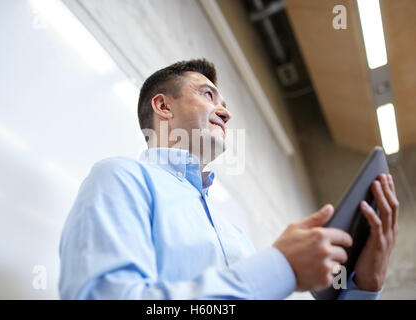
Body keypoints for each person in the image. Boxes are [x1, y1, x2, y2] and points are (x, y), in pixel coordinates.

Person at [58, 58, 399, 299]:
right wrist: (280, 265)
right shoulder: (120, 177)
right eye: (208, 95)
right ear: (163, 106)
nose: (226, 111)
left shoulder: (233, 231)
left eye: (223, 101)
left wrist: (363, 287)